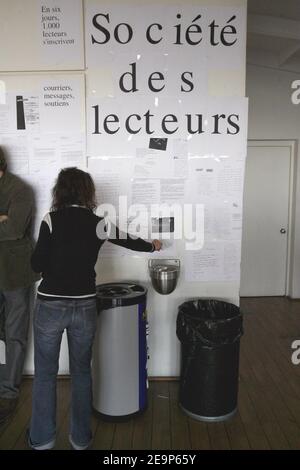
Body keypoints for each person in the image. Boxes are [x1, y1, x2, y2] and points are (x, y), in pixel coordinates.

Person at [28, 167, 162, 450]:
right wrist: (152, 246)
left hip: (50, 305)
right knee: (81, 372)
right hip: (86, 305)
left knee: (44, 374)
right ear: (87, 192)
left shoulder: (50, 220)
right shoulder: (98, 222)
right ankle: (80, 439)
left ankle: (42, 439)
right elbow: (127, 239)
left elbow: (37, 265)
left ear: (60, 191)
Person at [0, 147, 39, 425]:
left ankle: (8, 393)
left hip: (15, 274)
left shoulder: (21, 190)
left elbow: (12, 230)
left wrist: (6, 221)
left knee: (13, 334)